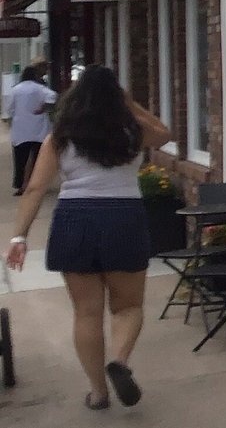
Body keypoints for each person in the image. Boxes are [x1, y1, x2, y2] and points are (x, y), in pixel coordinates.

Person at [5, 65, 171, 410]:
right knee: (128, 306)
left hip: (74, 219)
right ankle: (120, 361)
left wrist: (18, 238)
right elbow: (165, 133)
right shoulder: (132, 132)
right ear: (117, 98)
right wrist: (129, 103)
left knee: (86, 313)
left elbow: (35, 187)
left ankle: (98, 393)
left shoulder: (61, 136)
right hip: (123, 217)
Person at [10, 64, 57, 195]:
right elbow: (53, 96)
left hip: (20, 129)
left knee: (20, 158)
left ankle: (20, 184)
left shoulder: (16, 89)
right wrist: (44, 107)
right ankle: (37, 182)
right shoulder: (40, 88)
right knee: (38, 157)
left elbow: (9, 108)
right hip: (39, 128)